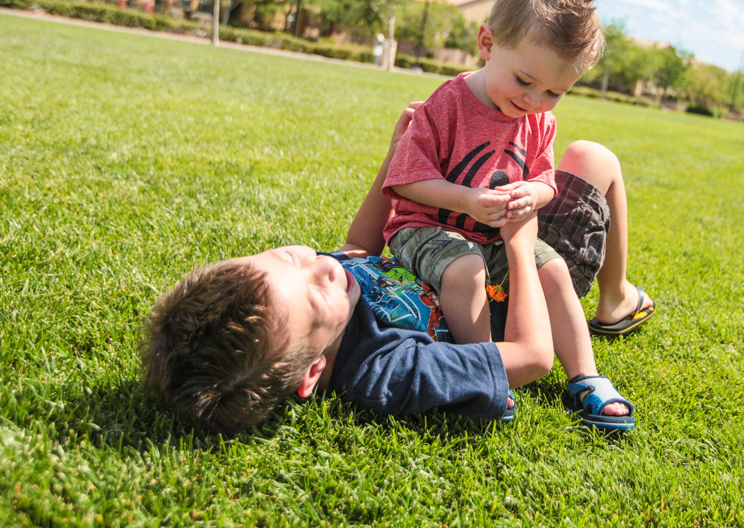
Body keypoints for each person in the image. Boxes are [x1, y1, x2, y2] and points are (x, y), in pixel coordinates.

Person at [143, 104, 654, 435]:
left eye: (287, 256)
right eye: (316, 291)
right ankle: (611, 301)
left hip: (472, 238)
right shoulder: (382, 370)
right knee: (595, 159)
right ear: (313, 372)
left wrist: (395, 157)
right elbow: (533, 355)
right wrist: (522, 243)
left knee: (583, 155)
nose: (319, 267)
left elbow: (356, 248)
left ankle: (616, 299)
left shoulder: (330, 282)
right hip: (529, 292)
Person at [383, 0, 648, 429]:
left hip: (494, 234)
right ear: (487, 42)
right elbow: (406, 179)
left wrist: (536, 192)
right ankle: (483, 371)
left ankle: (585, 376)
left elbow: (546, 178)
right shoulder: (448, 103)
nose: (534, 99)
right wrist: (465, 199)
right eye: (525, 79)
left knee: (554, 268)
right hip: (424, 229)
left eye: (554, 92)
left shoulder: (539, 121)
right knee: (467, 268)